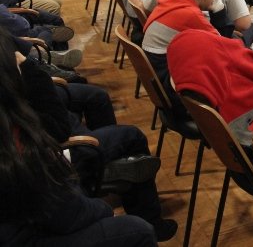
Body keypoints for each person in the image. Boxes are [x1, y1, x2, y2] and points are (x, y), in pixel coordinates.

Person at [0, 31, 158, 246]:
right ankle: (101, 168)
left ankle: (102, 167)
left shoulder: (10, 121)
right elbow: (67, 216)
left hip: (33, 207)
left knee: (91, 103)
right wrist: (104, 209)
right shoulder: (16, 148)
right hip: (31, 228)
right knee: (139, 230)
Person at [142, 0, 224, 108]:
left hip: (160, 75)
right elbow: (223, 47)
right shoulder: (191, 15)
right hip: (172, 88)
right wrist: (219, 11)